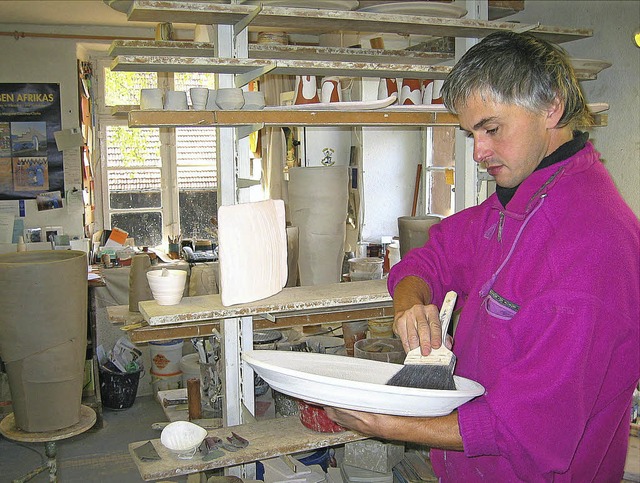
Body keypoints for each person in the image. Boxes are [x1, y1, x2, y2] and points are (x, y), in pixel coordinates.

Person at [325, 31, 640, 481]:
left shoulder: (592, 249)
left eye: (492, 129)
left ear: (550, 106)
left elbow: (530, 428)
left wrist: (385, 423)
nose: (478, 152)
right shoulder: (518, 202)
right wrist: (411, 303)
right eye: (471, 132)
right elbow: (432, 256)